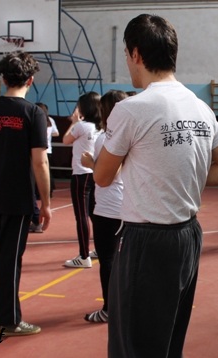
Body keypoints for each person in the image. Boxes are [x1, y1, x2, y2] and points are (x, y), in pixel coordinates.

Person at [94, 14, 218, 357]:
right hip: (187, 235)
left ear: (136, 54)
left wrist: (167, 173)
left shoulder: (132, 109)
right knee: (168, 338)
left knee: (134, 343)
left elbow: (102, 177)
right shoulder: (200, 107)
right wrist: (178, 175)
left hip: (147, 240)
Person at [0, 51, 51, 335]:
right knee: (10, 258)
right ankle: (8, 319)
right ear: (30, 80)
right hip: (17, 198)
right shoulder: (33, 113)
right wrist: (46, 203)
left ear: (3, 78)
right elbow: (40, 161)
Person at [80, 89, 128, 323]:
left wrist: (90, 162)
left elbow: (106, 175)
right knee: (125, 259)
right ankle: (125, 303)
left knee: (107, 259)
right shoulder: (134, 134)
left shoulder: (107, 137)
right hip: (130, 206)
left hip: (109, 207)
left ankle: (110, 308)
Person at [62, 92, 102, 268]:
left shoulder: (81, 126)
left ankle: (84, 256)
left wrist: (73, 122)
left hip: (81, 174)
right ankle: (100, 248)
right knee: (94, 213)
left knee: (81, 216)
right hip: (94, 172)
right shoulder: (100, 127)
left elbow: (65, 140)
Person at [36, 102, 59, 197]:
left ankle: (39, 192)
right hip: (48, 149)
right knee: (47, 170)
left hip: (38, 148)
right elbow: (56, 133)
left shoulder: (37, 119)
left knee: (38, 171)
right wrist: (49, 135)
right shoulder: (50, 120)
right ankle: (49, 190)